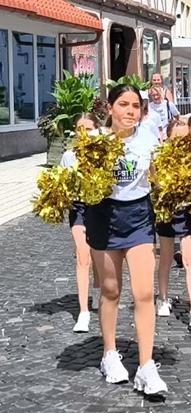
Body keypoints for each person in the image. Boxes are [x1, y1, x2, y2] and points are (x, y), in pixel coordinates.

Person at [85, 84, 167, 395]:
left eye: (135, 105)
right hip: (104, 216)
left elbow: (159, 175)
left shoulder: (148, 138)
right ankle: (109, 354)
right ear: (110, 108)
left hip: (138, 216)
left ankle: (146, 366)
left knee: (144, 292)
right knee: (111, 289)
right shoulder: (94, 141)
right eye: (123, 104)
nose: (130, 111)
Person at [154, 118, 191, 329]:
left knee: (190, 259)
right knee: (166, 257)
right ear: (168, 138)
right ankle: (163, 297)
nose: (179, 141)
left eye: (183, 137)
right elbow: (154, 181)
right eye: (175, 137)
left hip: (187, 211)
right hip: (166, 210)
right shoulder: (159, 156)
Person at [60, 113, 102, 333]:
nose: (84, 134)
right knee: (82, 254)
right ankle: (83, 311)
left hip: (100, 208)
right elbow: (63, 183)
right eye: (80, 130)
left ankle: (97, 291)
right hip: (78, 208)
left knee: (98, 255)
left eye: (88, 129)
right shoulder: (68, 155)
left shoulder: (103, 154)